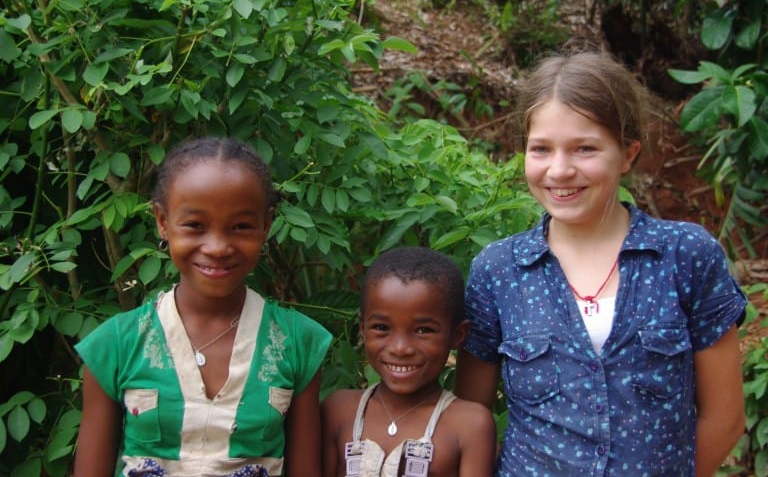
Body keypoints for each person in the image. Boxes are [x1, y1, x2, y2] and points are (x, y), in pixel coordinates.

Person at [454, 51, 747, 476]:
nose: (560, 169)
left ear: (627, 154)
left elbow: (725, 418)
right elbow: (471, 421)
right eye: (541, 149)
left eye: (585, 148)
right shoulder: (497, 270)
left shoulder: (686, 255)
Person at [73, 136, 332, 477]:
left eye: (240, 226)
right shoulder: (116, 345)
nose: (217, 247)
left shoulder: (298, 343)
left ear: (266, 225)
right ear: (162, 221)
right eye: (195, 225)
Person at [321, 246, 496, 477]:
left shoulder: (470, 424)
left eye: (423, 330)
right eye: (382, 328)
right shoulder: (339, 410)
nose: (400, 348)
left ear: (458, 334)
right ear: (362, 329)